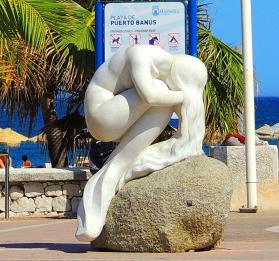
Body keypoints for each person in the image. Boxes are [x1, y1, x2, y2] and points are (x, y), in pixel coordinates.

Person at [75, 44, 208, 242]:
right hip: (101, 115)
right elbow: (149, 96)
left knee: (163, 100)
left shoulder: (158, 66)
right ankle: (108, 180)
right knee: (160, 92)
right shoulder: (141, 55)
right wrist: (185, 96)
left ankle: (106, 186)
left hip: (117, 116)